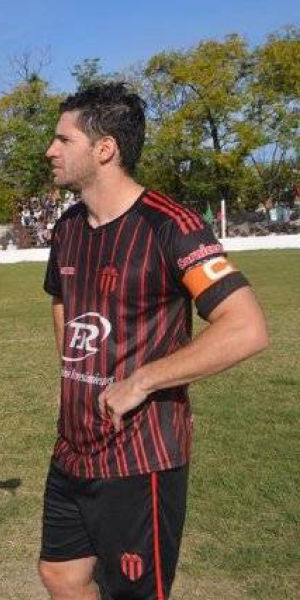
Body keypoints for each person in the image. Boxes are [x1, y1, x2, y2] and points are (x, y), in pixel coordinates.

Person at [38, 83, 268, 599]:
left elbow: (246, 327)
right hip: (74, 445)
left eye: (62, 139)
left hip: (141, 457)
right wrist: (76, 371)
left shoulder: (173, 227)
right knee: (61, 574)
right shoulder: (68, 227)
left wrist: (141, 380)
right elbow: (61, 300)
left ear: (104, 149)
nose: (50, 150)